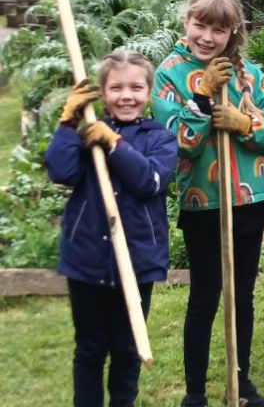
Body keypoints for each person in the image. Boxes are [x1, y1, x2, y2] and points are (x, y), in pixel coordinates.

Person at [153, 0, 264, 407]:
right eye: (200, 25)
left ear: (233, 32)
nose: (208, 36)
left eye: (219, 28)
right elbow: (178, 142)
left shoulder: (249, 74)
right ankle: (195, 393)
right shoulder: (170, 73)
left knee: (242, 296)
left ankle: (242, 384)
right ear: (186, 23)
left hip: (247, 201)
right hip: (203, 201)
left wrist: (244, 122)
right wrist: (201, 97)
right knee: (205, 296)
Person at [47, 50, 178, 407]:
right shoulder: (85, 131)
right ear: (102, 93)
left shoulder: (159, 138)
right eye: (116, 87)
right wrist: (67, 123)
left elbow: (149, 182)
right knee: (89, 351)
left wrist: (115, 144)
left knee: (126, 352)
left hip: (136, 262)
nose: (126, 96)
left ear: (148, 93)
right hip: (87, 260)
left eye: (136, 87)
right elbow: (61, 172)